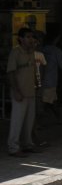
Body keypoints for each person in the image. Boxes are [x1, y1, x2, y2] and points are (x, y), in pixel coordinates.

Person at [6, 28, 43, 157]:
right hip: (20, 93)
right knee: (17, 121)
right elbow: (11, 73)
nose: (30, 39)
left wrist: (37, 85)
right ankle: (13, 147)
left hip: (30, 91)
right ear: (21, 39)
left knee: (29, 121)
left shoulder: (31, 53)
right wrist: (16, 91)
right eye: (27, 37)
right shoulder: (15, 53)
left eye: (32, 37)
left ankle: (28, 144)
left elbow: (34, 71)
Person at [41, 33, 62, 124]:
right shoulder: (56, 51)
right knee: (48, 101)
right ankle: (37, 121)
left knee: (49, 100)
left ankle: (58, 117)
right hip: (50, 80)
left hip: (42, 79)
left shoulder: (42, 50)